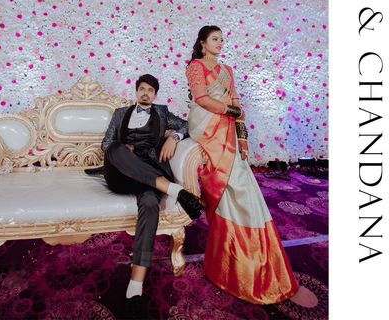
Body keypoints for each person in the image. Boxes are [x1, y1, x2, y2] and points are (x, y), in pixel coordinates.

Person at [185, 26, 317, 307]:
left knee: (244, 188)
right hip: (208, 129)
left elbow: (236, 102)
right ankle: (237, 264)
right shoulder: (196, 66)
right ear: (202, 43)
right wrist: (233, 111)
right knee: (232, 187)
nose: (220, 43)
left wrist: (243, 137)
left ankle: (236, 263)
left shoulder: (227, 70)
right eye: (215, 39)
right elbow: (202, 99)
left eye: (222, 39)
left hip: (229, 132)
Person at [100, 73, 203, 314]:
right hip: (121, 173)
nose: (145, 93)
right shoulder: (120, 113)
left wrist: (174, 137)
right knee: (115, 147)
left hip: (150, 173)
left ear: (155, 95)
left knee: (149, 203)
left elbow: (187, 125)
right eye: (142, 89)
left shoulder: (162, 113)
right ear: (136, 91)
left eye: (150, 90)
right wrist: (125, 148)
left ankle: (135, 285)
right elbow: (105, 144)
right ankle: (176, 191)